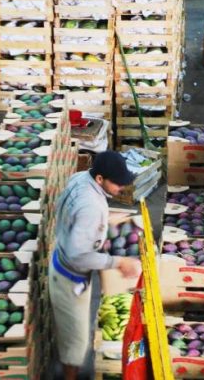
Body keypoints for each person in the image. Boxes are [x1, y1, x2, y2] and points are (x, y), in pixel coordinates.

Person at [49, 151, 140, 380]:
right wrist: (117, 262)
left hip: (61, 259)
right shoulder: (90, 206)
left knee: (72, 334)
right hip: (70, 278)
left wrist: (100, 225)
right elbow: (78, 256)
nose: (122, 187)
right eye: (117, 183)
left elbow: (71, 212)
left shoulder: (80, 178)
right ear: (100, 178)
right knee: (76, 343)